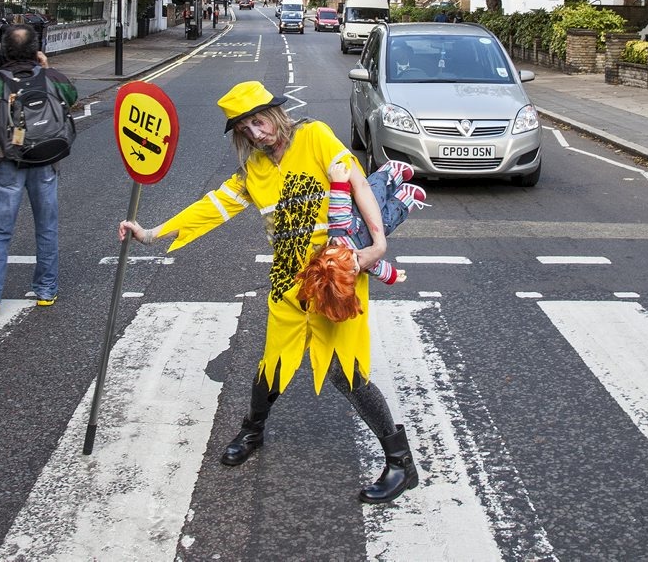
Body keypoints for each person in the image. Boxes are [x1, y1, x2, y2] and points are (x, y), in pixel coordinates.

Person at [118, 81, 419, 504]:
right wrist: (151, 233)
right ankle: (253, 429)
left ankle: (400, 464)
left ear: (275, 113)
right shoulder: (253, 171)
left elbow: (359, 184)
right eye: (244, 129)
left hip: (336, 274)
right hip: (287, 280)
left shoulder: (313, 136)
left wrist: (378, 246)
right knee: (274, 363)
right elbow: (211, 207)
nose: (256, 134)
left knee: (346, 372)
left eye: (258, 121)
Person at [0, 24, 78, 312]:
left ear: (3, 48)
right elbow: (71, 97)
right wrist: (46, 67)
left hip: (7, 161)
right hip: (45, 160)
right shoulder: (52, 77)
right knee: (46, 227)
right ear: (36, 49)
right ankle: (46, 290)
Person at [296, 160, 426, 321]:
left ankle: (392, 172)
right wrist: (391, 275)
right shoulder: (359, 262)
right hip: (380, 227)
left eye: (352, 266)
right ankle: (405, 198)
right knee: (391, 217)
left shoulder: (340, 230)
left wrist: (339, 182)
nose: (358, 267)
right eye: (355, 271)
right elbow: (375, 266)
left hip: (368, 202)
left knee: (377, 187)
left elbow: (339, 206)